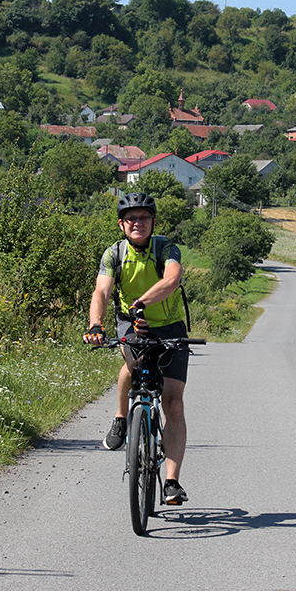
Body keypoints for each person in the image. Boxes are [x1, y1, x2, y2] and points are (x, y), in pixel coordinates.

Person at [84, 193, 191, 505]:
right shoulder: (114, 254)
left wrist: (142, 301)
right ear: (121, 224)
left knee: (173, 404)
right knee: (133, 364)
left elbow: (172, 279)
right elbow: (101, 291)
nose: (137, 223)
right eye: (131, 218)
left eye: (144, 217)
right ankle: (122, 416)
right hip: (132, 324)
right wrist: (95, 324)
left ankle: (171, 482)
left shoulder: (165, 248)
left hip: (169, 326)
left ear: (153, 222)